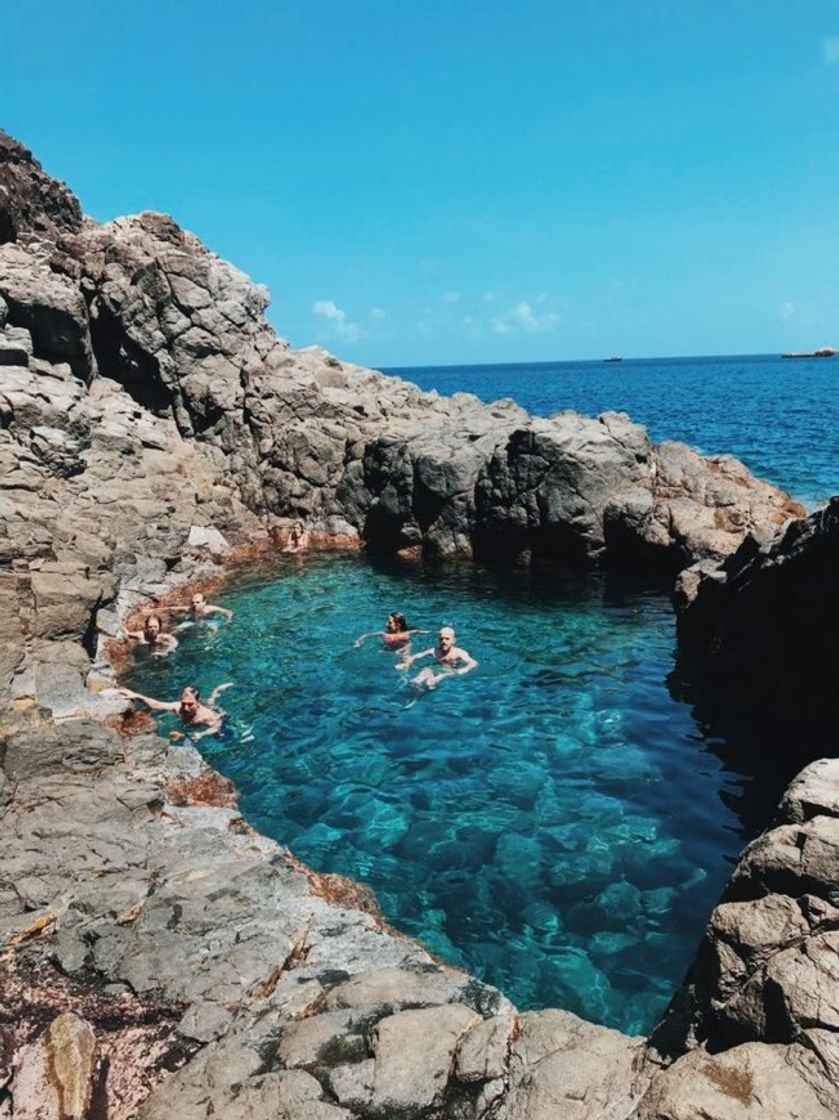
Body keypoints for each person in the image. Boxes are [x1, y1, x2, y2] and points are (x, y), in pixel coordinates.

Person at [117, 682, 233, 740]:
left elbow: (216, 726)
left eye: (190, 704)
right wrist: (137, 696)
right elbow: (157, 705)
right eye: (184, 703)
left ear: (197, 703)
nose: (185, 708)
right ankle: (215, 692)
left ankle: (216, 691)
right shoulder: (178, 707)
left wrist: (200, 734)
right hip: (195, 717)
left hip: (215, 717)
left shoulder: (207, 716)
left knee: (222, 736)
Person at [397, 626, 477, 688]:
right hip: (437, 668)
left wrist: (464, 669)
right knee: (422, 674)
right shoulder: (435, 651)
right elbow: (416, 656)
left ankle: (431, 685)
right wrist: (406, 664)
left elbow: (473, 662)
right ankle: (417, 688)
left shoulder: (459, 653)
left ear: (453, 640)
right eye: (441, 639)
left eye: (447, 639)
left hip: (450, 671)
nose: (443, 641)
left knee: (433, 681)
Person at [354, 612, 429, 652]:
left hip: (402, 649)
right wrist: (358, 642)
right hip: (387, 650)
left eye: (390, 622)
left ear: (398, 624)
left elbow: (424, 632)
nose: (386, 624)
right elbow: (366, 635)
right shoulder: (385, 633)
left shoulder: (408, 632)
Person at [159, 591, 233, 623]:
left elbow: (229, 612)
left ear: (204, 603)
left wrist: (228, 620)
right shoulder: (189, 609)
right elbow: (171, 608)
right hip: (192, 622)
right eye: (193, 602)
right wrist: (153, 610)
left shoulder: (210, 609)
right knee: (177, 629)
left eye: (197, 602)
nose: (194, 604)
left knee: (212, 633)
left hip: (209, 621)